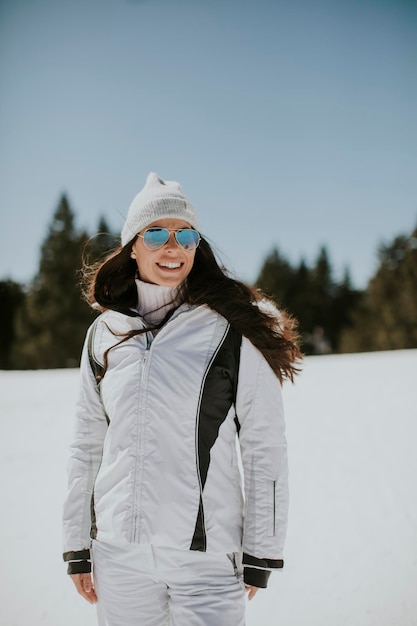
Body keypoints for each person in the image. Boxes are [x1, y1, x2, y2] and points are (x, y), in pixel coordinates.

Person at [63, 172, 302, 626]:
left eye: (185, 235)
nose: (172, 247)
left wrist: (263, 549)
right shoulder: (105, 334)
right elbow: (87, 444)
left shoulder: (231, 331)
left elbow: (265, 444)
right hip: (119, 558)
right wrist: (78, 544)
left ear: (197, 245)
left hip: (207, 560)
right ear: (133, 245)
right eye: (156, 233)